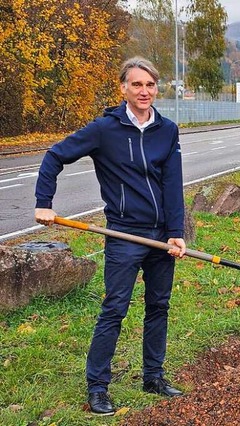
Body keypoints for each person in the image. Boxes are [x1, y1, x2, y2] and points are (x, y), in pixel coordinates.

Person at [34, 57, 187, 415]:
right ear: (123, 88)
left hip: (161, 236)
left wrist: (176, 232)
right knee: (114, 309)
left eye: (150, 85)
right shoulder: (105, 129)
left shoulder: (168, 129)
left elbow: (172, 184)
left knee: (159, 306)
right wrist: (44, 203)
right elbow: (55, 156)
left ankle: (154, 376)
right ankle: (98, 387)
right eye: (137, 84)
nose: (144, 91)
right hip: (123, 234)